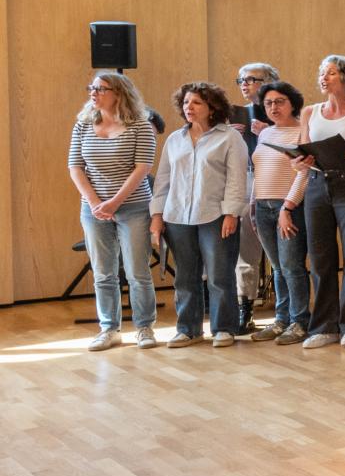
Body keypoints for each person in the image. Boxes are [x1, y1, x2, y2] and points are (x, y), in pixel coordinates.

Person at [150, 81, 251, 348]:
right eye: (186, 102)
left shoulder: (230, 137)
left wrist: (232, 213)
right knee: (185, 277)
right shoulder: (175, 139)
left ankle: (224, 328)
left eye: (196, 102)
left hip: (215, 216)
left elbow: (237, 179)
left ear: (212, 107)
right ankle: (188, 329)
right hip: (177, 216)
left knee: (219, 275)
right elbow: (163, 180)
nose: (189, 107)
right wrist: (157, 215)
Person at [68, 71, 160, 350]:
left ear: (119, 93)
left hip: (133, 207)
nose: (93, 93)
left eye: (101, 89)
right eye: (92, 88)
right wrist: (95, 202)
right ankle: (109, 329)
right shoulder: (83, 124)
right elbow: (75, 167)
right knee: (103, 273)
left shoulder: (141, 125)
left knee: (137, 271)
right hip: (94, 209)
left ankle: (144, 327)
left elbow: (142, 169)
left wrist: (115, 202)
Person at [297, 55, 345, 348]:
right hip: (317, 184)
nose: (323, 77)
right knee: (320, 257)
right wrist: (299, 162)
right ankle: (324, 327)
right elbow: (302, 152)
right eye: (322, 72)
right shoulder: (309, 112)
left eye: (330, 72)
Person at [248, 80, 311, 345]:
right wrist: (253, 205)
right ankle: (281, 319)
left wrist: (287, 207)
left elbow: (304, 174)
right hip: (263, 207)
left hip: (289, 207)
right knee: (277, 267)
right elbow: (258, 171)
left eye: (279, 102)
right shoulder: (265, 134)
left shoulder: (303, 131)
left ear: (292, 104)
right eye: (268, 103)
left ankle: (300, 322)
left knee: (291, 267)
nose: (274, 107)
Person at [231, 62, 279, 331]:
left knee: (283, 253)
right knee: (245, 250)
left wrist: (267, 133)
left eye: (251, 79)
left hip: (278, 183)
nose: (244, 84)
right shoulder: (236, 114)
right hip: (246, 179)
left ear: (269, 81)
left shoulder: (287, 113)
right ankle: (245, 308)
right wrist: (229, 136)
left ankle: (289, 310)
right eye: (241, 80)